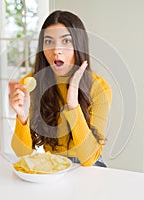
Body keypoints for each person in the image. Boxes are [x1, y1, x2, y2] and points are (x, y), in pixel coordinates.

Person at [10, 10, 112, 167]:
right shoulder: (31, 83)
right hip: (54, 164)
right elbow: (21, 153)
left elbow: (89, 159)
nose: (56, 50)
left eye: (66, 41)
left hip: (90, 166)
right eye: (49, 41)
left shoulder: (99, 88)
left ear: (79, 45)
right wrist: (22, 117)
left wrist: (73, 104)